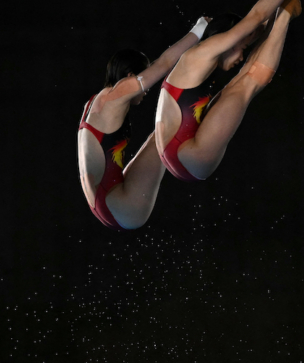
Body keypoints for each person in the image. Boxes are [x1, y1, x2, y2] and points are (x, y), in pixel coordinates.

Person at [155, 0, 304, 181]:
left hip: (180, 153)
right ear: (227, 37)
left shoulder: (199, 59)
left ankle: (287, 10)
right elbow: (256, 17)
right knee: (245, 85)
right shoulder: (202, 52)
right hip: (190, 155)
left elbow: (258, 30)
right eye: (242, 48)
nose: (242, 56)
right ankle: (287, 12)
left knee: (241, 80)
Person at [77, 17, 211, 230]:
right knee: (167, 129)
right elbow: (165, 63)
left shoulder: (93, 103)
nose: (146, 89)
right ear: (131, 76)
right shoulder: (118, 93)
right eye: (144, 76)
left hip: (104, 203)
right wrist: (200, 29)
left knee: (156, 137)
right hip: (123, 207)